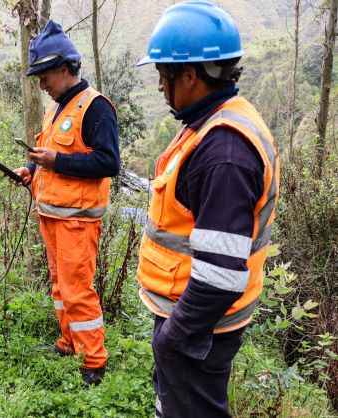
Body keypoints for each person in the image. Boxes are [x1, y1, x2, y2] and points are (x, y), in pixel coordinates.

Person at [135, 2, 280, 416]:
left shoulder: (225, 153)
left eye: (164, 76)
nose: (161, 87)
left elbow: (219, 275)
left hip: (197, 326)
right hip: (192, 319)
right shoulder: (211, 120)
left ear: (191, 75)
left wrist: (174, 336)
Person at [12, 20, 120, 386]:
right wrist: (30, 169)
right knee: (60, 286)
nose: (41, 84)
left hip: (78, 220)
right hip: (51, 215)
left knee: (78, 289)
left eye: (44, 75)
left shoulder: (96, 108)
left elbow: (108, 163)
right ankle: (69, 342)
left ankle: (94, 359)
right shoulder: (56, 107)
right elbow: (49, 152)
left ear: (63, 68)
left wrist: (55, 162)